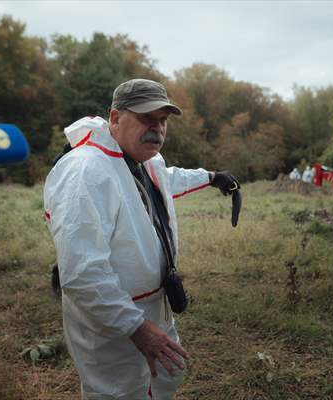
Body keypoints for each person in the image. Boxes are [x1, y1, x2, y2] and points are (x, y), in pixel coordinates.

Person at [43, 78, 240, 399]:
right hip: (111, 316)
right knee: (118, 391)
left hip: (153, 306)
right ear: (116, 118)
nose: (157, 129)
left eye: (163, 121)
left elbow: (165, 180)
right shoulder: (86, 172)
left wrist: (210, 178)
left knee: (163, 379)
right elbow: (81, 273)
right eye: (147, 118)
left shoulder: (142, 160)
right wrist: (135, 328)